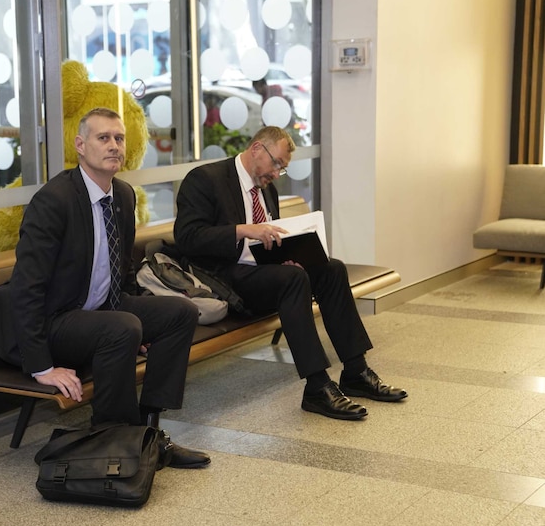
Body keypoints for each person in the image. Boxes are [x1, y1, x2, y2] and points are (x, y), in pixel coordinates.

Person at [9, 107, 210, 468]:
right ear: (80, 146)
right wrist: (41, 366)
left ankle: (148, 434)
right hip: (55, 321)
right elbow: (26, 288)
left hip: (100, 312)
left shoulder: (124, 195)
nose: (114, 145)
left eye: (119, 138)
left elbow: (124, 269)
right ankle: (112, 436)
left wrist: (141, 323)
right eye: (104, 138)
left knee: (180, 312)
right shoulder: (54, 201)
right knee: (123, 327)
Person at [174, 126, 407, 420]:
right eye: (277, 164)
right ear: (257, 148)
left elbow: (269, 239)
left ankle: (356, 371)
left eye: (282, 168)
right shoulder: (206, 179)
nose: (276, 173)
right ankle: (317, 387)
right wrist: (242, 230)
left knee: (331, 268)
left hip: (262, 272)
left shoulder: (266, 188)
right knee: (294, 280)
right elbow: (187, 237)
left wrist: (288, 256)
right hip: (222, 278)